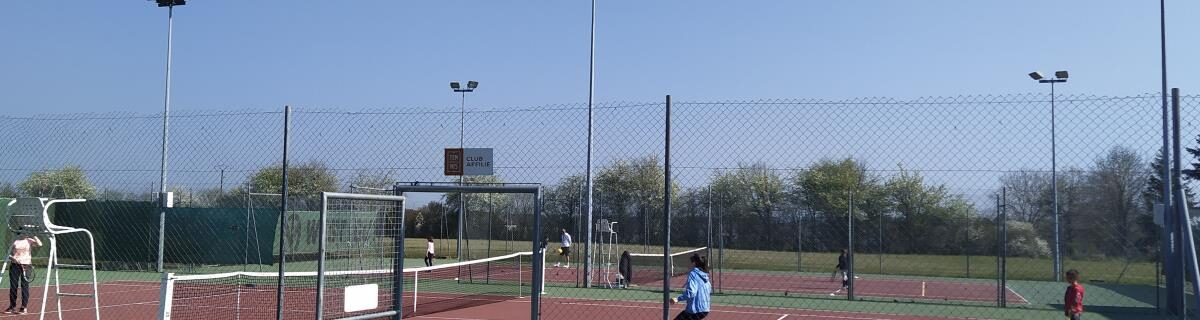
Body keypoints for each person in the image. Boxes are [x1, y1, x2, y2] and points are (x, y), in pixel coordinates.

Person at [6, 233, 41, 314]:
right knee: (13, 286)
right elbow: (9, 253)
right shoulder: (14, 241)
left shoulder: (29, 240)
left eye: (26, 232)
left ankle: (23, 307)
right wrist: (13, 258)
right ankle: (12, 306)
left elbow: (40, 244)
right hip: (15, 265)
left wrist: (34, 235)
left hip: (27, 265)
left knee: (24, 286)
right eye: (23, 232)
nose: (25, 233)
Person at [671, 254, 711, 320]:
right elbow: (708, 289)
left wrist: (678, 299)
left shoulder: (693, 273)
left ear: (694, 263)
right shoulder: (705, 275)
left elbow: (691, 292)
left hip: (695, 310)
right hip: (705, 309)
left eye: (691, 262)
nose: (688, 264)